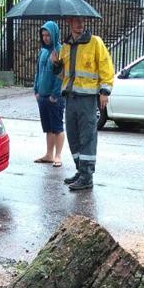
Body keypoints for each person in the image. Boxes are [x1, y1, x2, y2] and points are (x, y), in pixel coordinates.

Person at [52, 16, 114, 191]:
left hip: (87, 98)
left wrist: (104, 91)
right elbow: (62, 75)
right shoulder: (65, 46)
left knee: (87, 136)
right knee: (73, 136)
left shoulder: (95, 42)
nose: (80, 24)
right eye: (76, 21)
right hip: (70, 97)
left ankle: (87, 176)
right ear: (69, 23)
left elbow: (106, 67)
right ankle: (81, 170)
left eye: (82, 21)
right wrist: (55, 64)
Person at [33, 21, 65, 168]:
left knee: (57, 127)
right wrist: (36, 90)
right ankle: (48, 154)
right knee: (48, 127)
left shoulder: (60, 50)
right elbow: (38, 72)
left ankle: (58, 156)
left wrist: (55, 94)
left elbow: (61, 76)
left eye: (48, 35)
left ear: (54, 34)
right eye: (43, 35)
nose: (45, 38)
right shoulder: (43, 51)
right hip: (42, 96)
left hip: (54, 98)